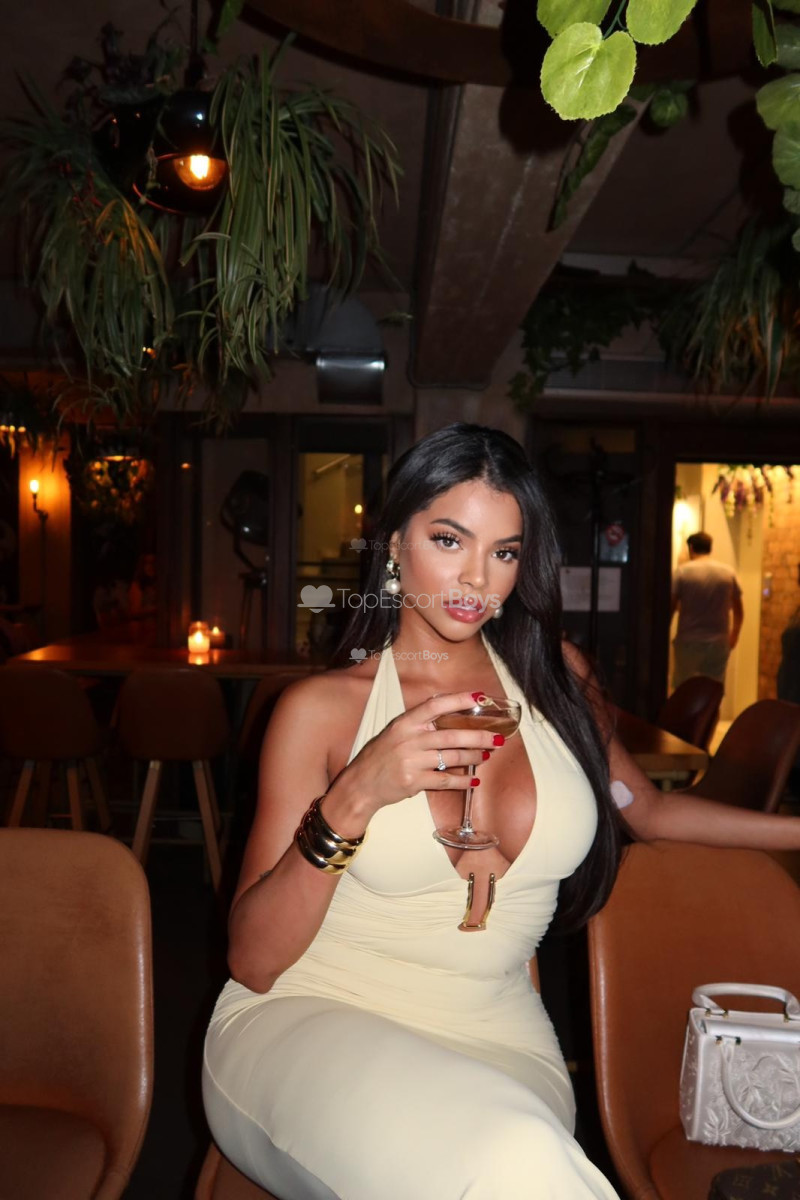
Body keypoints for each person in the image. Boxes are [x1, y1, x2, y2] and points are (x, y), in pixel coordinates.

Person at [203, 425, 800, 1200]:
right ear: (395, 543)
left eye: (505, 552)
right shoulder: (320, 710)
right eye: (449, 539)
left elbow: (649, 811)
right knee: (516, 1159)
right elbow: (252, 962)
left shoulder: (558, 680)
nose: (477, 578)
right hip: (311, 1017)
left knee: (521, 1155)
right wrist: (354, 798)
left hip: (499, 1035)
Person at [671, 531, 743, 689]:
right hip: (718, 642)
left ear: (691, 548)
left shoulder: (682, 572)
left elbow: (671, 606)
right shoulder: (728, 572)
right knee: (713, 690)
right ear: (710, 548)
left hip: (689, 641)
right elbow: (738, 609)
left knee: (684, 689)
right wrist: (734, 635)